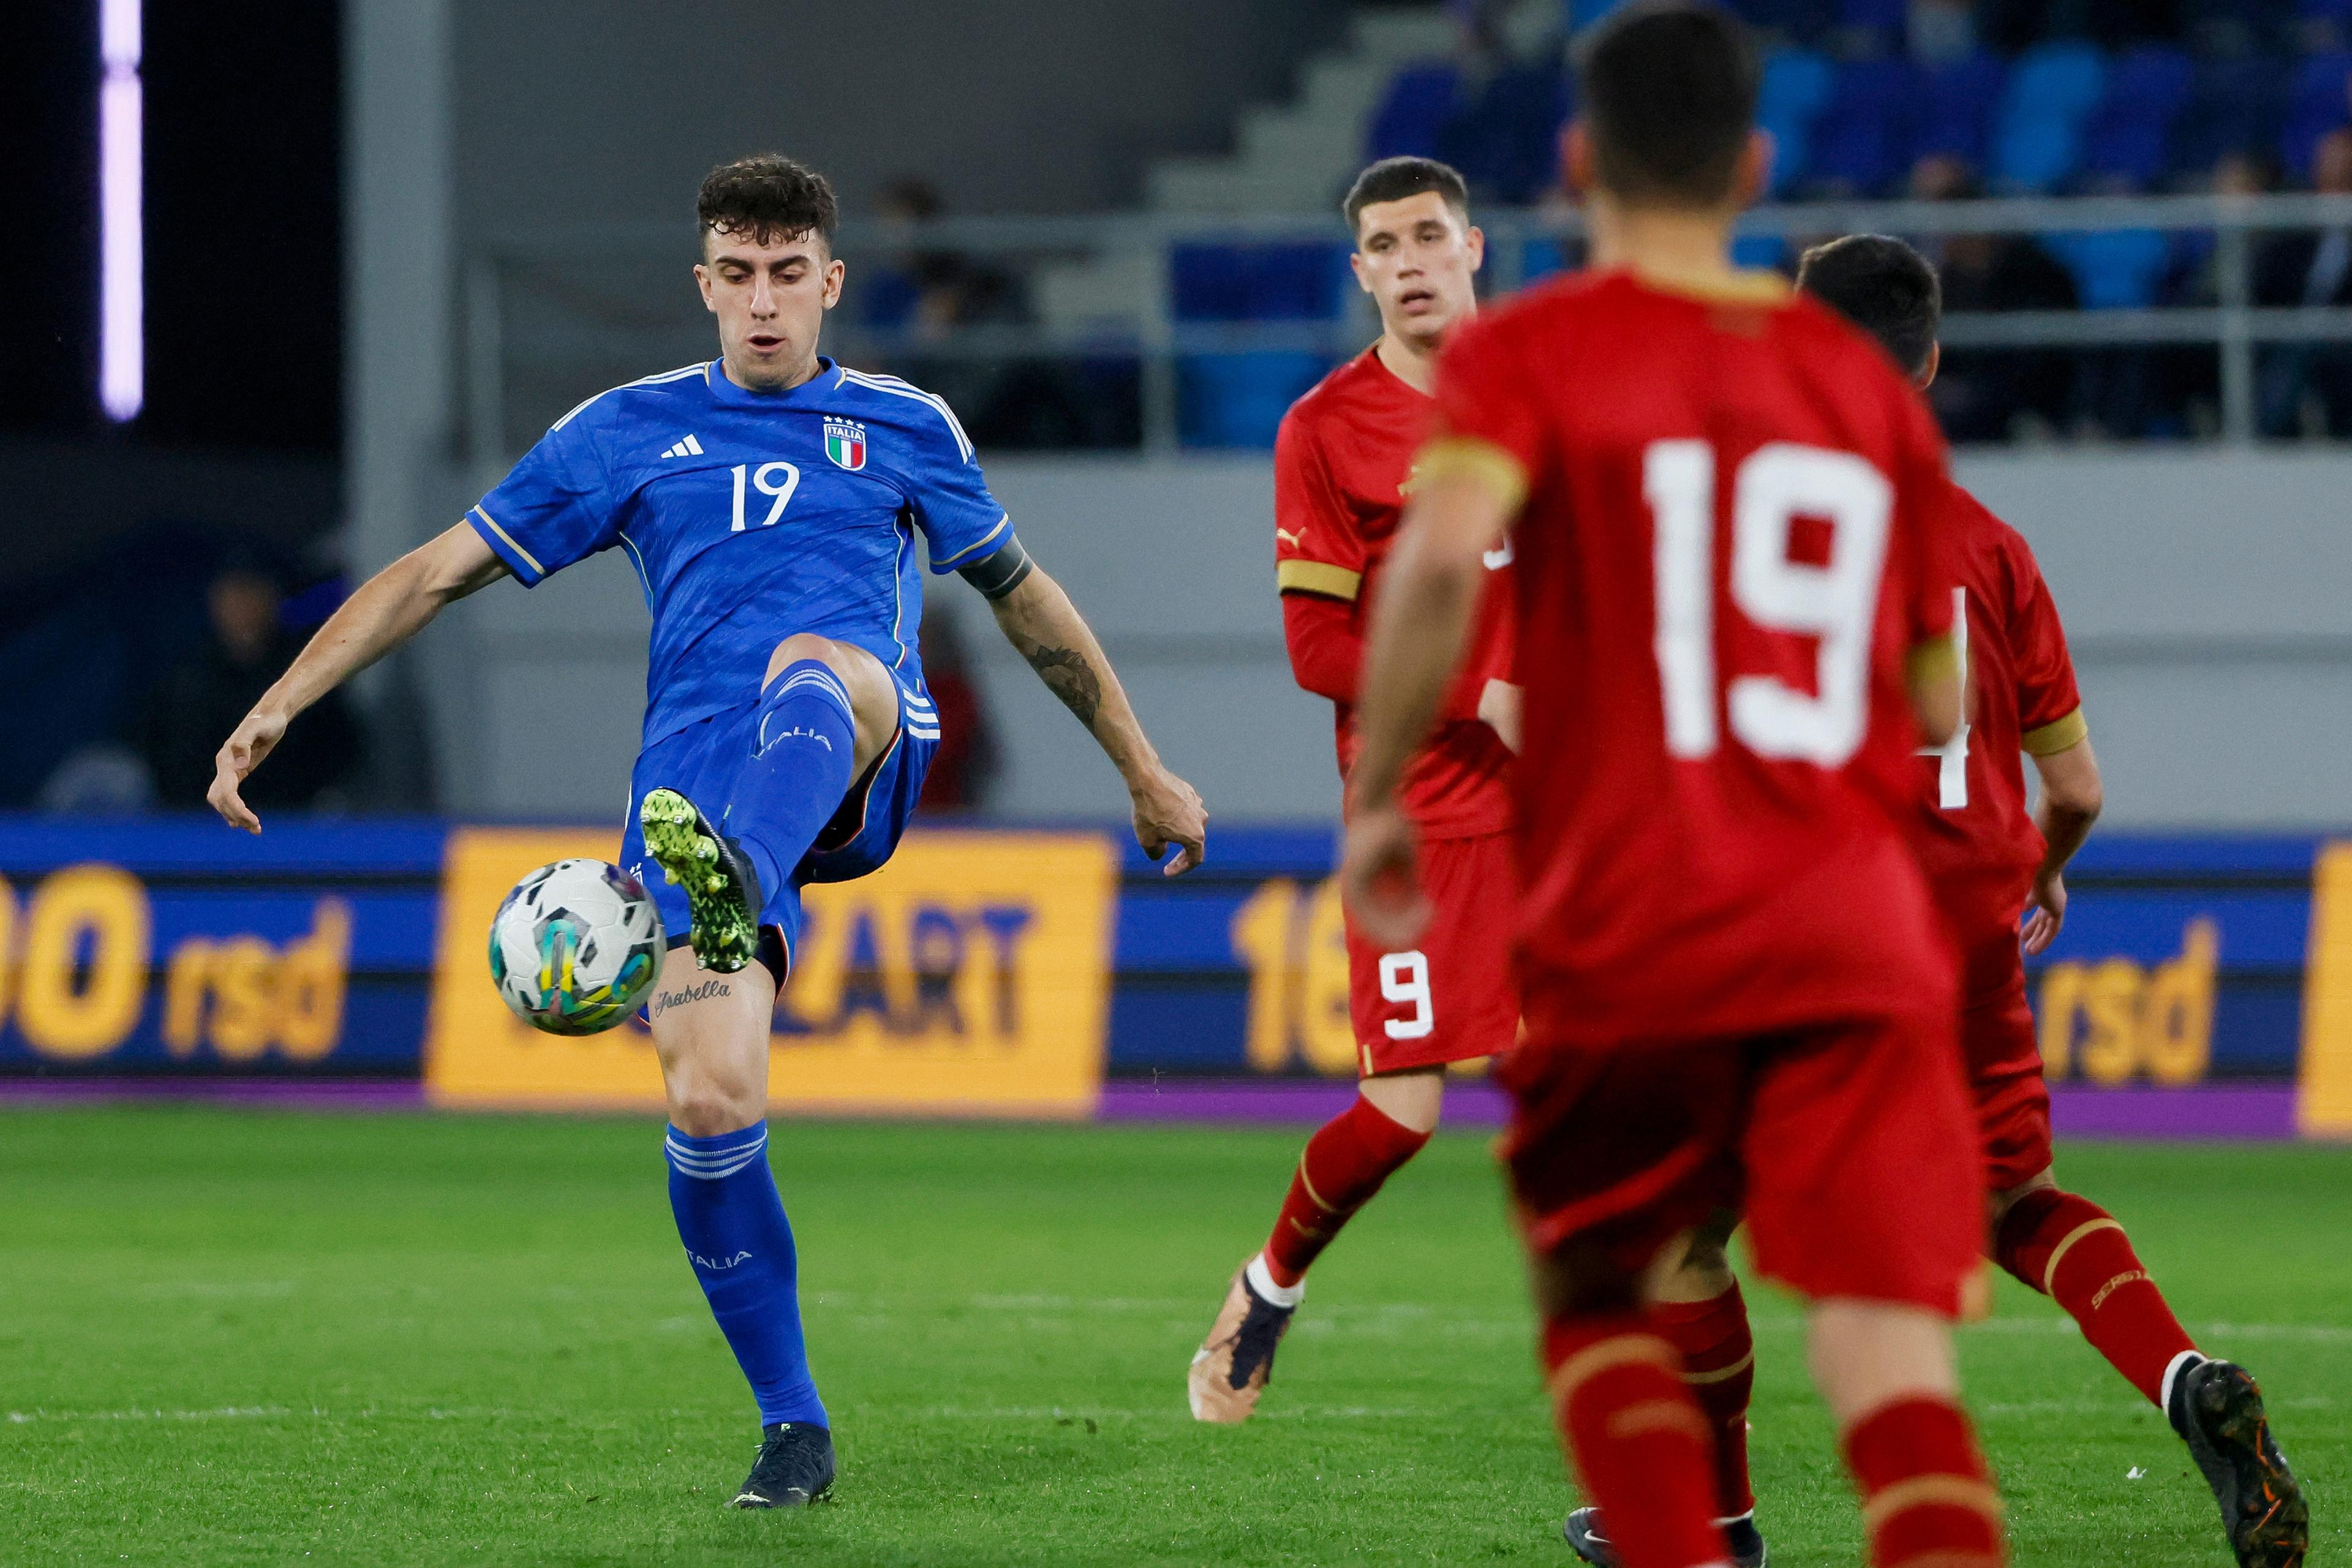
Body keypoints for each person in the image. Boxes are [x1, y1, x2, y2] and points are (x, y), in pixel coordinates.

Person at [205, 154, 1207, 1511]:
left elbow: (1025, 601)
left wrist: (1143, 767)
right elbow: (438, 571)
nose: (764, 302)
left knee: (817, 662)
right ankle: (794, 1427)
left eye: (789, 274)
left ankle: (744, 858)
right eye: (739, 275)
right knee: (712, 1097)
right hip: (687, 797)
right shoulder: (624, 432)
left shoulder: (904, 424)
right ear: (704, 284)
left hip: (856, 743)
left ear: (831, 282)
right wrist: (280, 698)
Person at [1343, 7, 2005, 1567]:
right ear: (1754, 168)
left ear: (1576, 164)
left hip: (1645, 912)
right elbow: (1939, 695)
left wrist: (1375, 797)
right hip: (1851, 929)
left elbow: (1434, 568)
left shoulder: (1533, 353)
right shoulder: (1859, 390)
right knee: (1887, 1355)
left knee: (1602, 1287)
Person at [1567, 234, 2310, 1568]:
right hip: (1962, 921)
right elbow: (2074, 787)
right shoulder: (1992, 549)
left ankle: (1719, 1530)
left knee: (1683, 1227)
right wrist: (2044, 868)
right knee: (2015, 1199)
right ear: (1931, 366)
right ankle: (2187, 1377)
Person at [1186, 156, 1520, 1423]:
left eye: (1429, 235)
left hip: (1571, 814)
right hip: (1422, 821)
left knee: (1614, 1107)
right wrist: (1483, 694)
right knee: (1401, 1113)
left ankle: (1678, 1430)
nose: (1410, 261)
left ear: (1472, 246)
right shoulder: (1328, 428)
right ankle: (1270, 1283)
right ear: (1361, 271)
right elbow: (1318, 650)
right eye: (1385, 245)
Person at [144, 556, 361, 810]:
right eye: (234, 594)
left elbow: (340, 751)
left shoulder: (303, 672)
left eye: (252, 592)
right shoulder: (186, 679)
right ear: (215, 601)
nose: (243, 606)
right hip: (198, 820)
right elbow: (164, 755)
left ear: (272, 598)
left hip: (293, 818)